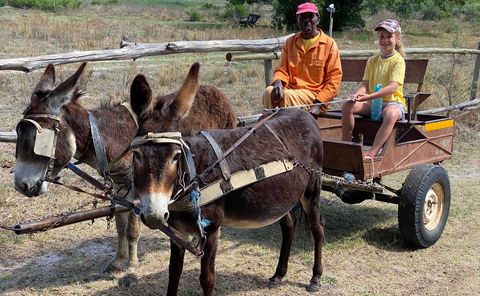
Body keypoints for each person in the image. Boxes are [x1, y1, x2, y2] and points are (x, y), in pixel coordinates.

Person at [341, 19, 406, 158]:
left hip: (392, 103)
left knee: (391, 114)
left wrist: (369, 97)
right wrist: (357, 95)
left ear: (397, 38)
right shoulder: (372, 60)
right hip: (373, 103)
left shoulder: (398, 60)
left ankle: (372, 153)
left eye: (389, 36)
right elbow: (365, 84)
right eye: (382, 36)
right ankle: (345, 146)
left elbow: (392, 87)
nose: (385, 40)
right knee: (347, 106)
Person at [262, 2, 342, 113]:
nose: (306, 20)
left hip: (314, 95)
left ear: (317, 19)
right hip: (291, 90)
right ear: (298, 20)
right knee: (268, 92)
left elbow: (334, 80)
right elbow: (282, 69)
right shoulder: (290, 42)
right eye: (302, 17)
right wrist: (278, 82)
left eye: (310, 16)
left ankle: (286, 129)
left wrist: (319, 104)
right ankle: (270, 127)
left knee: (286, 97)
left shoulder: (329, 44)